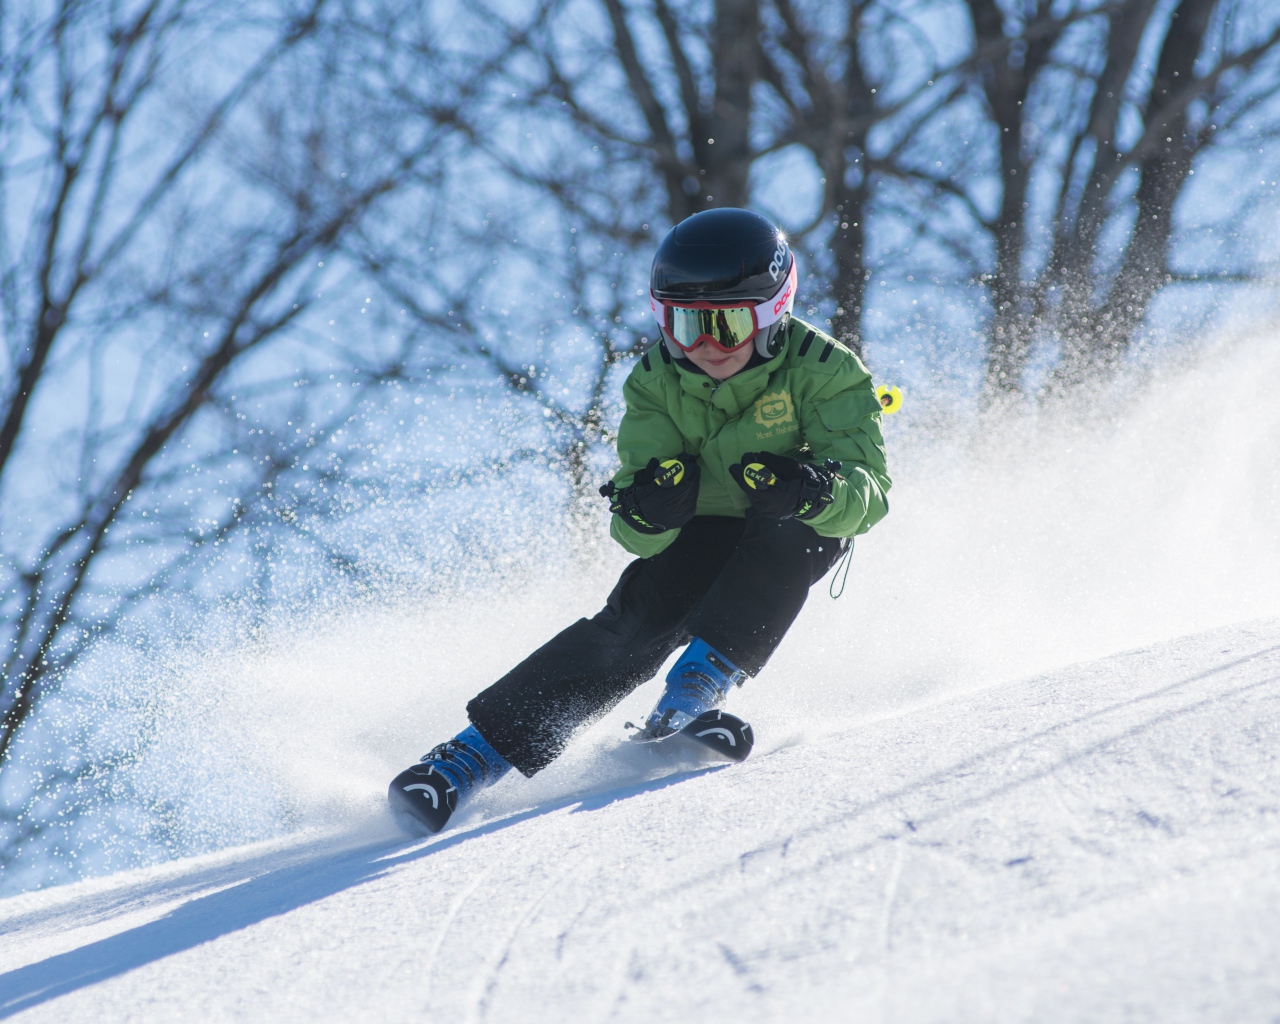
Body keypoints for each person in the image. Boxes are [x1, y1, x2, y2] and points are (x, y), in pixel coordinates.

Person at [389, 207, 892, 834]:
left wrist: (814, 490)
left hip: (788, 522)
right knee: (637, 620)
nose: (704, 346)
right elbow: (632, 527)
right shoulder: (655, 380)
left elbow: (869, 495)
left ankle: (691, 695)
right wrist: (649, 509)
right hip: (701, 528)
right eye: (684, 325)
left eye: (727, 324)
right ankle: (468, 759)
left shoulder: (827, 369)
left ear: (771, 316)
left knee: (794, 535)